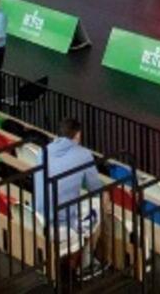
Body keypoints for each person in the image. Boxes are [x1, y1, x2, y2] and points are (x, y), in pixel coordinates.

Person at [40, 119, 108, 281]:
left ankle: (78, 259)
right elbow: (96, 188)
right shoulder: (82, 155)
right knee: (103, 200)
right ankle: (86, 261)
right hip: (62, 217)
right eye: (79, 137)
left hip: (44, 211)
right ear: (76, 136)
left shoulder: (45, 151)